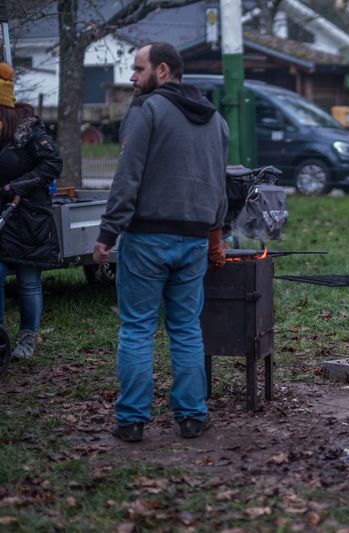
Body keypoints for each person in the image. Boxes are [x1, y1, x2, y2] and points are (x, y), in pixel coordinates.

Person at [93, 43, 228, 443]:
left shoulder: (146, 110)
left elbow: (127, 178)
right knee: (186, 328)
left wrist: (107, 233)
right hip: (193, 241)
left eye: (137, 69)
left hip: (146, 238)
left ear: (163, 70)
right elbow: (220, 186)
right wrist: (214, 235)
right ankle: (191, 416)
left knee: (136, 329)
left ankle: (132, 420)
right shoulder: (216, 119)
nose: (132, 78)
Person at [0, 63, 62, 360]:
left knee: (27, 280)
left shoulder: (29, 130)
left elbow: (53, 165)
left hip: (29, 216)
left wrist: (18, 187)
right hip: (2, 217)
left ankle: (27, 338)